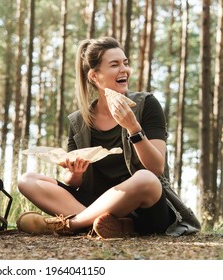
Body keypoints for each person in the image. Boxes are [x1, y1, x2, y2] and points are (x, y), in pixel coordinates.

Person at [16, 36, 201, 238]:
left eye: (125, 63)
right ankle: (112, 225)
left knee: (145, 179)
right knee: (27, 180)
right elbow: (73, 183)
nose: (125, 70)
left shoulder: (147, 105)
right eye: (115, 65)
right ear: (95, 76)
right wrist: (75, 173)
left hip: (146, 206)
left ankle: (71, 224)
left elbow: (156, 169)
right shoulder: (79, 121)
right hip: (95, 202)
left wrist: (133, 128)